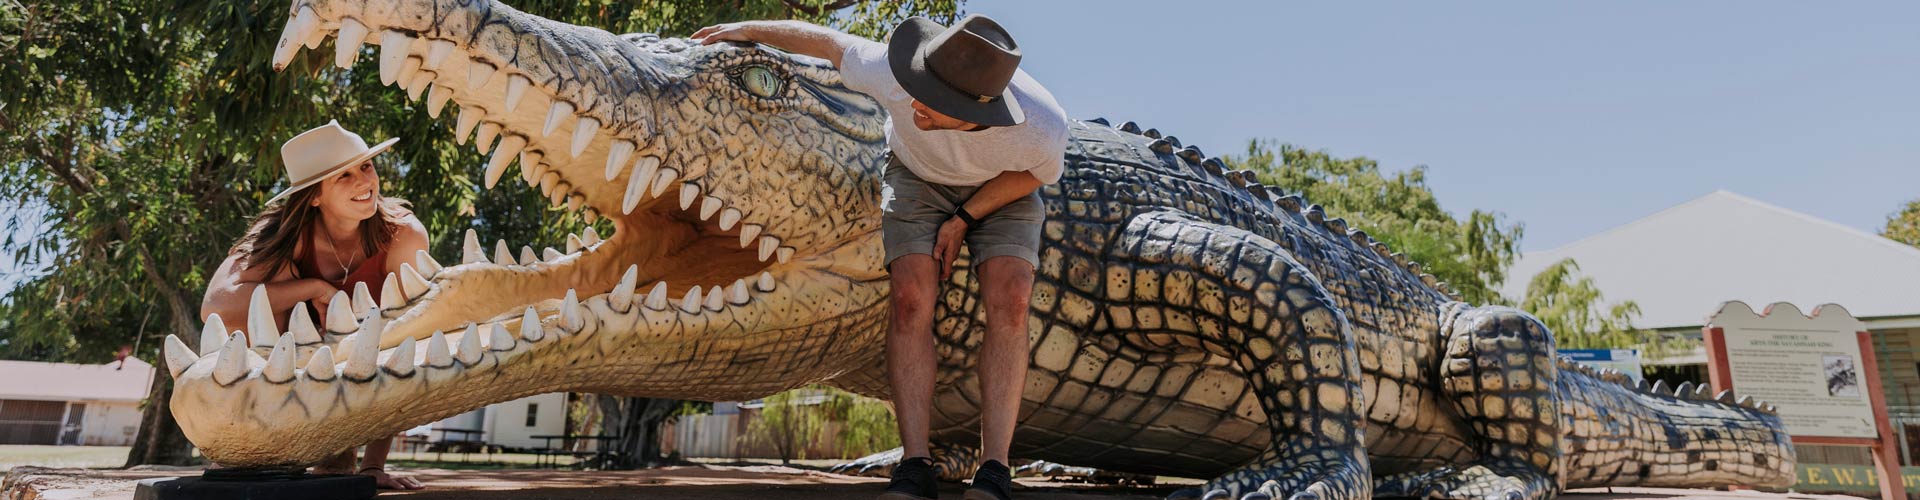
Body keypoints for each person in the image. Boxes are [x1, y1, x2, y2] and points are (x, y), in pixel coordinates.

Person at [694, 14, 1068, 500]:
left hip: (1003, 190)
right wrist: (744, 29)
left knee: (1012, 296)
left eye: (933, 102)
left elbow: (1033, 176)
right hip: (916, 177)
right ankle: (915, 465)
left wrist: (965, 218)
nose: (913, 102)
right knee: (911, 296)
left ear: (978, 110)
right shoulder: (892, 70)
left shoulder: (1040, 127)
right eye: (919, 86)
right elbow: (827, 41)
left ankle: (995, 468)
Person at [200, 120, 429, 490]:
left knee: (337, 468)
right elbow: (216, 306)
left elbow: (405, 339)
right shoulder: (284, 237)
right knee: (264, 288)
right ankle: (247, 438)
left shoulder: (403, 235)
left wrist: (374, 467)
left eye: (366, 167)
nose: (364, 181)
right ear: (314, 196)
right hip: (288, 365)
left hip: (360, 369)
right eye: (343, 176)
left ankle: (348, 457)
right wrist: (312, 287)